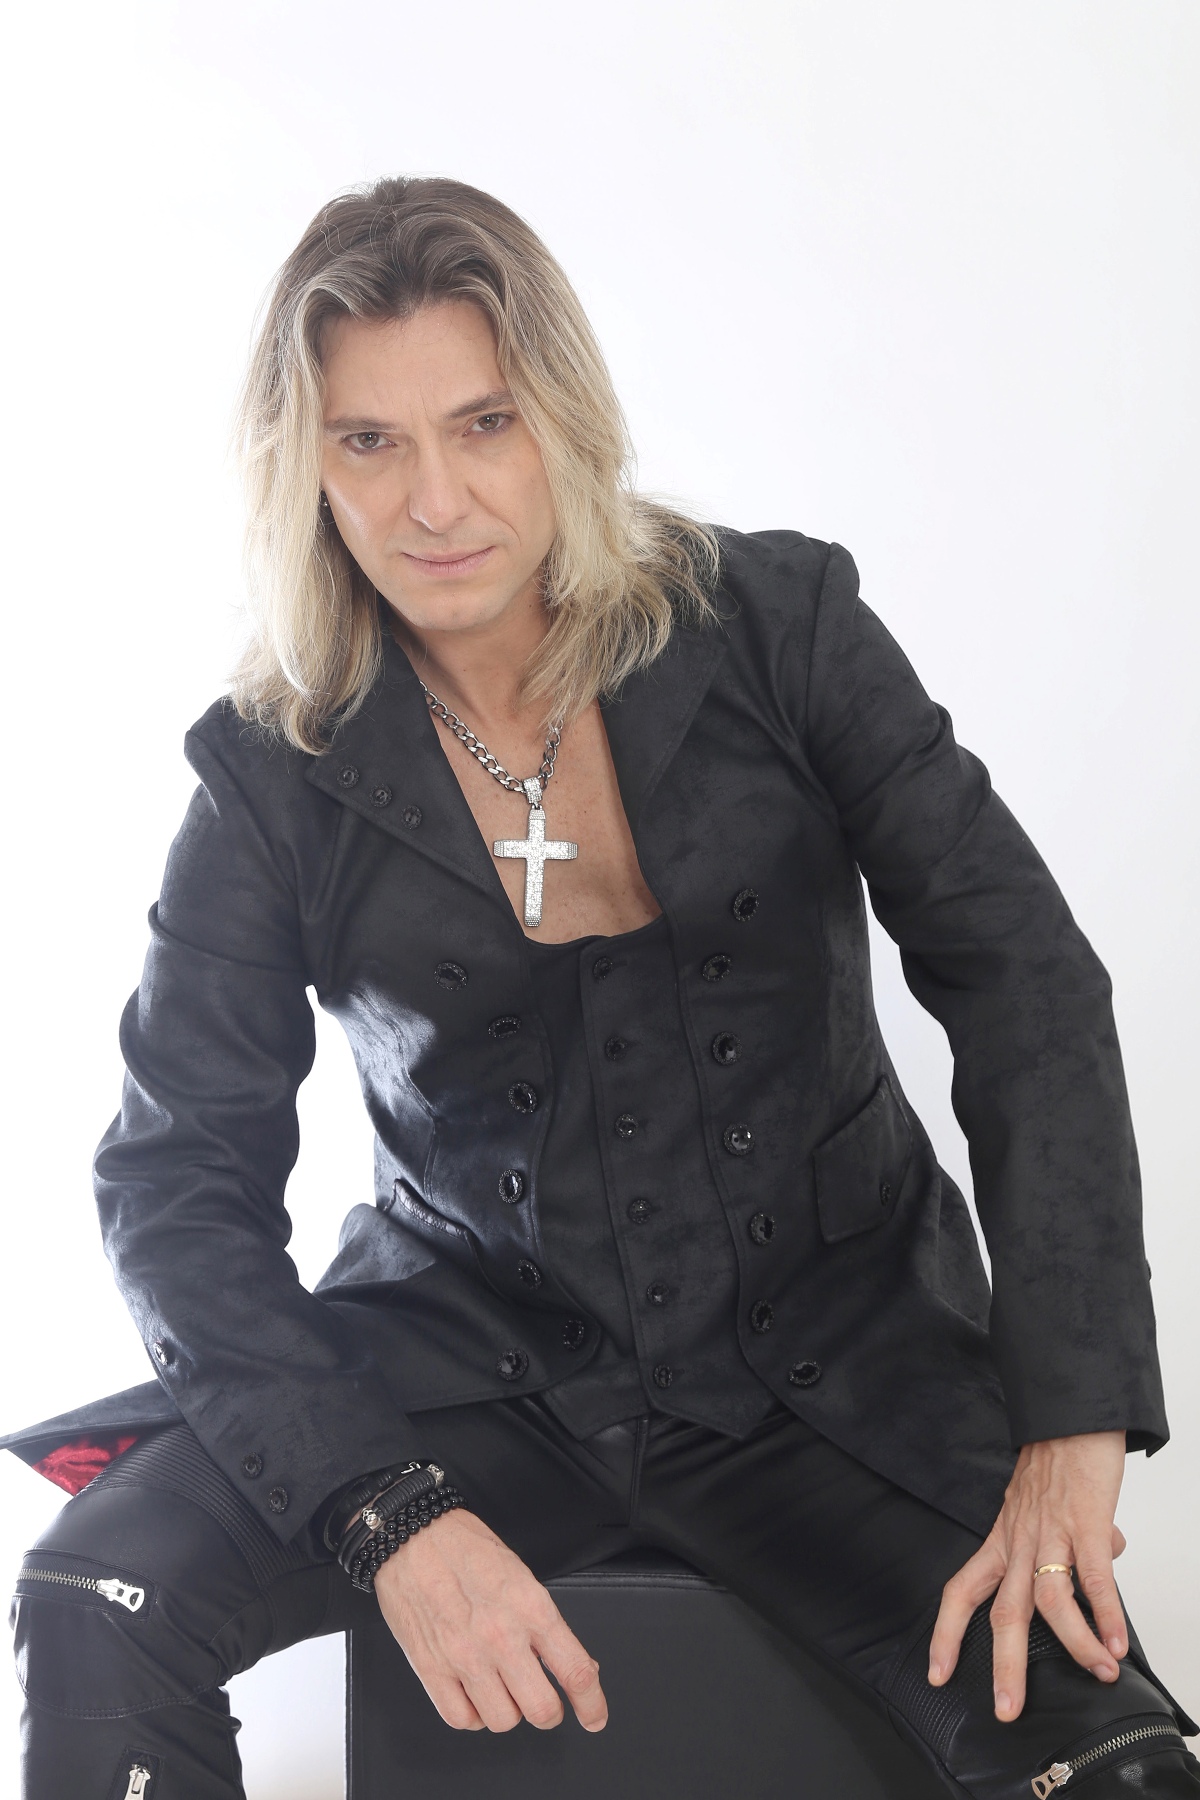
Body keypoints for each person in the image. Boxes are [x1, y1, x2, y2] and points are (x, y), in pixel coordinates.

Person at [4, 175, 1196, 1800]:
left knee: (1116, 1772)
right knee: (98, 1592)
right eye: (370, 442)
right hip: (471, 1372)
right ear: (305, 469)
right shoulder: (270, 769)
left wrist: (1072, 1424)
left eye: (483, 424)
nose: (435, 500)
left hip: (837, 1373)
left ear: (562, 417)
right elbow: (176, 1184)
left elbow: (1025, 983)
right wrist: (386, 1510)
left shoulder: (783, 628)